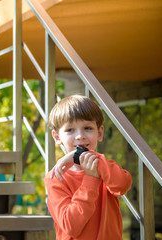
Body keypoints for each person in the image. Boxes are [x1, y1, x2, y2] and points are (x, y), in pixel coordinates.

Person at [44, 94, 132, 240]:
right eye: (70, 130)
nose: (80, 136)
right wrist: (91, 179)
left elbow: (122, 184)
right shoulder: (55, 178)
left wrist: (93, 161)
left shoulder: (104, 166)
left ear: (100, 133)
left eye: (88, 128)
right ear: (57, 137)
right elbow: (71, 226)